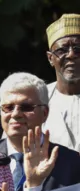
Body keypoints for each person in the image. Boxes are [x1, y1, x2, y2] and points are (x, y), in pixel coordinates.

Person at [45, 14, 80, 152]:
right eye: (62, 50)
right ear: (50, 58)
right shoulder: (36, 99)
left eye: (78, 49)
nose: (71, 55)